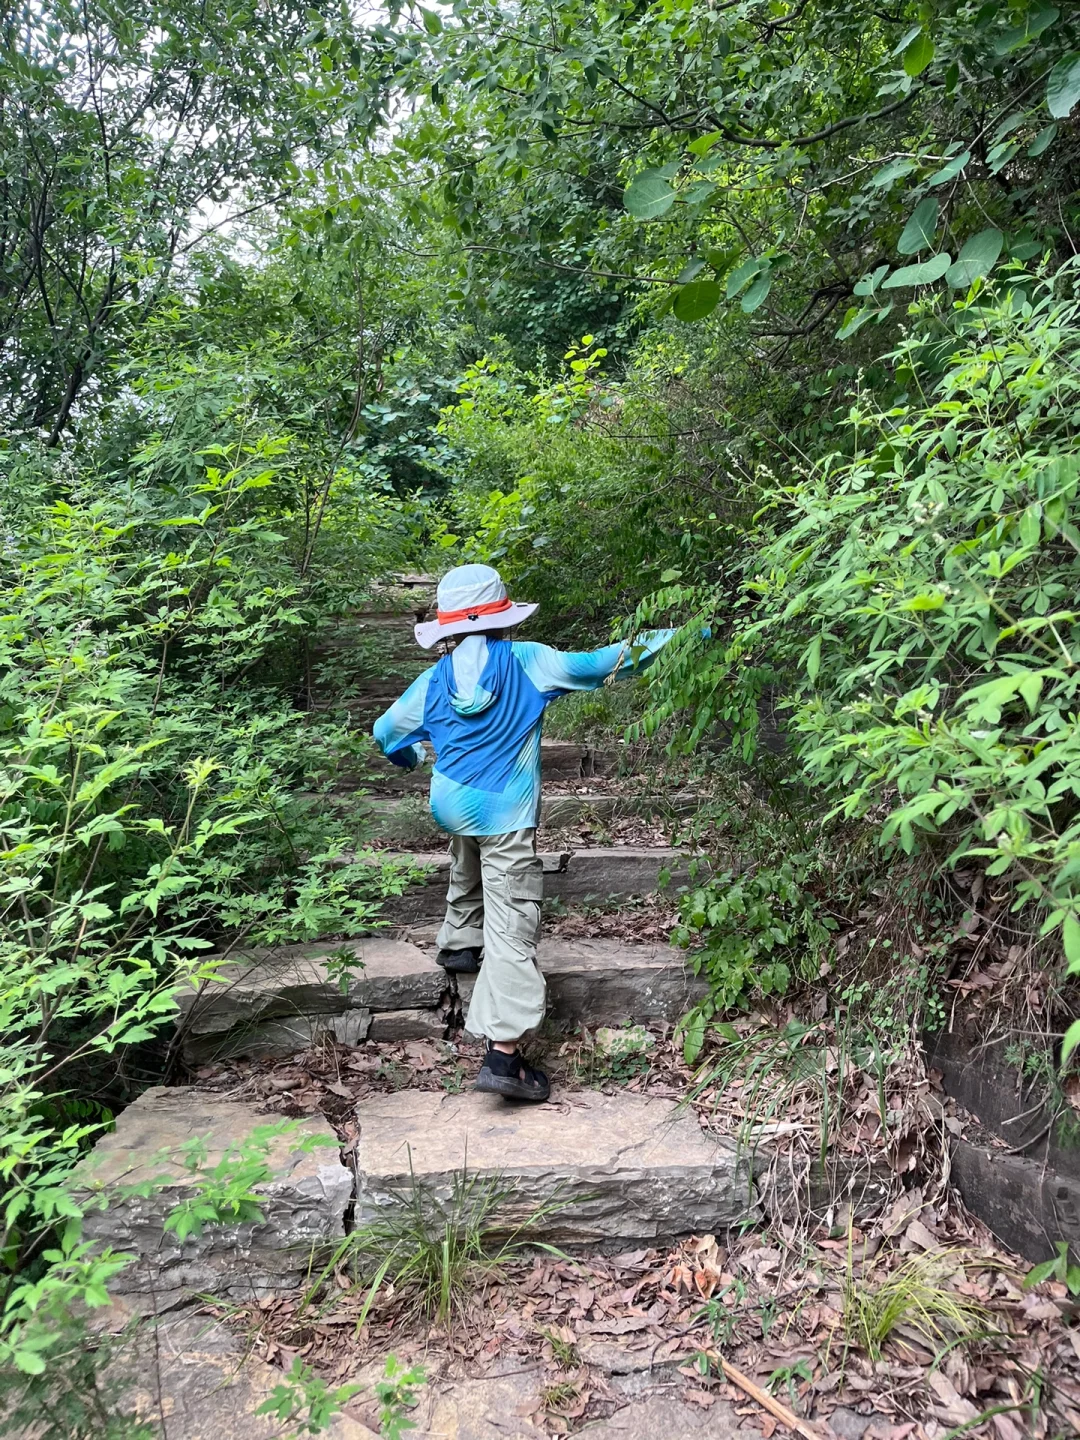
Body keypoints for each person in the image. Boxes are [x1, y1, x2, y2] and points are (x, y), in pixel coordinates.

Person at [372, 564, 673, 1103]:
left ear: (447, 628)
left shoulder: (430, 682)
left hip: (449, 801)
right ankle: (504, 1057)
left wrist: (409, 755)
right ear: (502, 618)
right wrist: (683, 635)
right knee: (511, 920)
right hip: (505, 809)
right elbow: (606, 663)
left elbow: (385, 732)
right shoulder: (529, 661)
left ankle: (459, 942)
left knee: (467, 846)